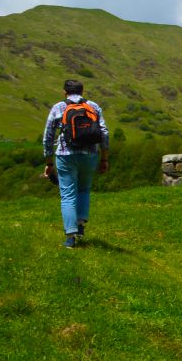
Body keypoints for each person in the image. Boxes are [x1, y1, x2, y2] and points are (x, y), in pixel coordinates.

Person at [42, 79, 110, 248]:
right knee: (83, 189)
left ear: (65, 92)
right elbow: (104, 133)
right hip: (90, 155)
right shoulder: (93, 106)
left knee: (68, 195)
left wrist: (49, 162)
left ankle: (70, 238)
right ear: (82, 91)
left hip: (66, 156)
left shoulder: (59, 107)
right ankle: (80, 226)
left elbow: (48, 136)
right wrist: (104, 158)